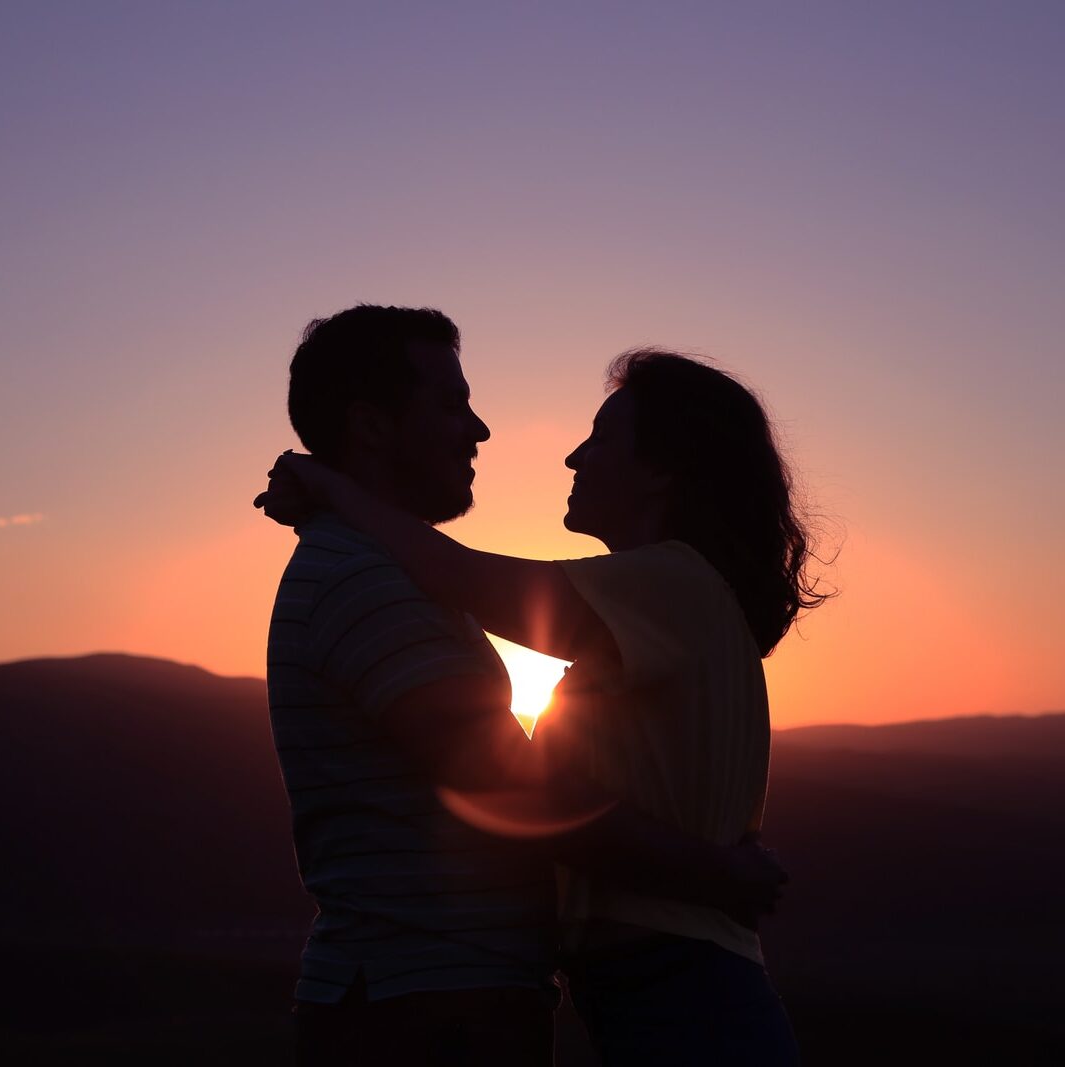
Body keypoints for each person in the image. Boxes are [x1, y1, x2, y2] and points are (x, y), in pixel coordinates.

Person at [261, 345, 825, 1066]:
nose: (572, 457)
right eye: (452, 404)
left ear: (662, 470)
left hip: (681, 984)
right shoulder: (655, 607)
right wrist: (710, 865)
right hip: (649, 983)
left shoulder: (673, 585)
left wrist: (331, 489)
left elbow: (461, 575)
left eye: (600, 438)